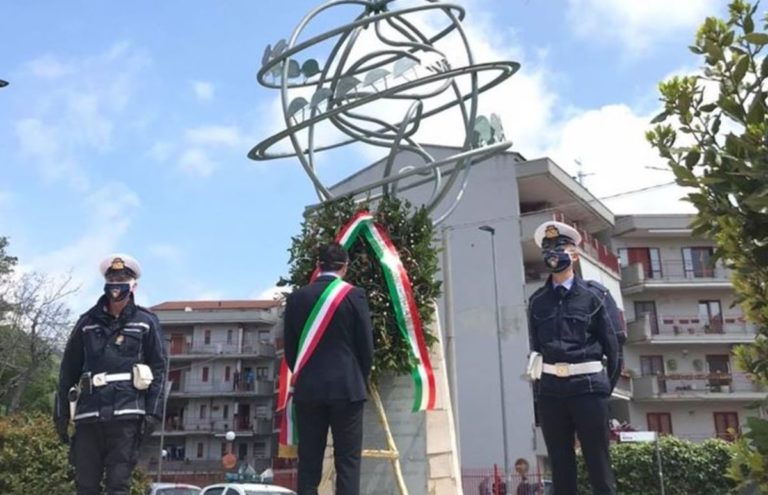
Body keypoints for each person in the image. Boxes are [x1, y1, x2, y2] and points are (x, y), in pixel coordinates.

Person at [54, 254, 168, 495]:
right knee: (85, 485)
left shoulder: (146, 322)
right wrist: (61, 414)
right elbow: (68, 370)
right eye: (113, 277)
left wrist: (153, 412)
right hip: (89, 414)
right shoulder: (86, 322)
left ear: (133, 284)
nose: (117, 282)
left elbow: (159, 368)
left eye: (123, 278)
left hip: (127, 414)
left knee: (118, 485)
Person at [527, 222, 625, 495]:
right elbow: (535, 350)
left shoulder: (597, 295)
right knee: (560, 466)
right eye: (548, 249)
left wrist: (603, 388)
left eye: (560, 248)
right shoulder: (537, 302)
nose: (554, 254)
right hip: (551, 393)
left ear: (575, 255)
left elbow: (615, 349)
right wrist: (540, 392)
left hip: (589, 389)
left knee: (598, 463)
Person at [283, 242, 374, 495]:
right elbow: (366, 346)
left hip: (309, 390)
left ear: (317, 266)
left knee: (309, 463)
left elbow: (291, 351)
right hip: (347, 388)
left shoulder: (297, 298)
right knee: (348, 462)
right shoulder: (354, 295)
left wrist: (306, 375)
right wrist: (359, 377)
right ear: (345, 267)